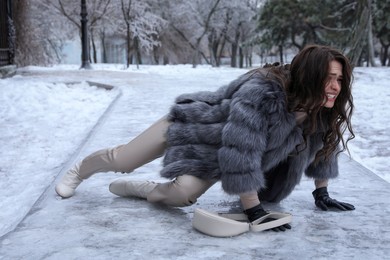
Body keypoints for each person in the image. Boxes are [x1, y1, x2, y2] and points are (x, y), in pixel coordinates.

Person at [55, 44, 355, 232]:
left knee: (180, 195)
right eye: (328, 77)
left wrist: (322, 193)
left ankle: (143, 189)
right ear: (309, 75)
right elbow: (242, 152)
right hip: (196, 123)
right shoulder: (264, 92)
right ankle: (79, 169)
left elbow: (322, 148)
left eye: (339, 79)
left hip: (216, 155)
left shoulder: (322, 108)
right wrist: (253, 210)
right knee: (123, 159)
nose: (335, 86)